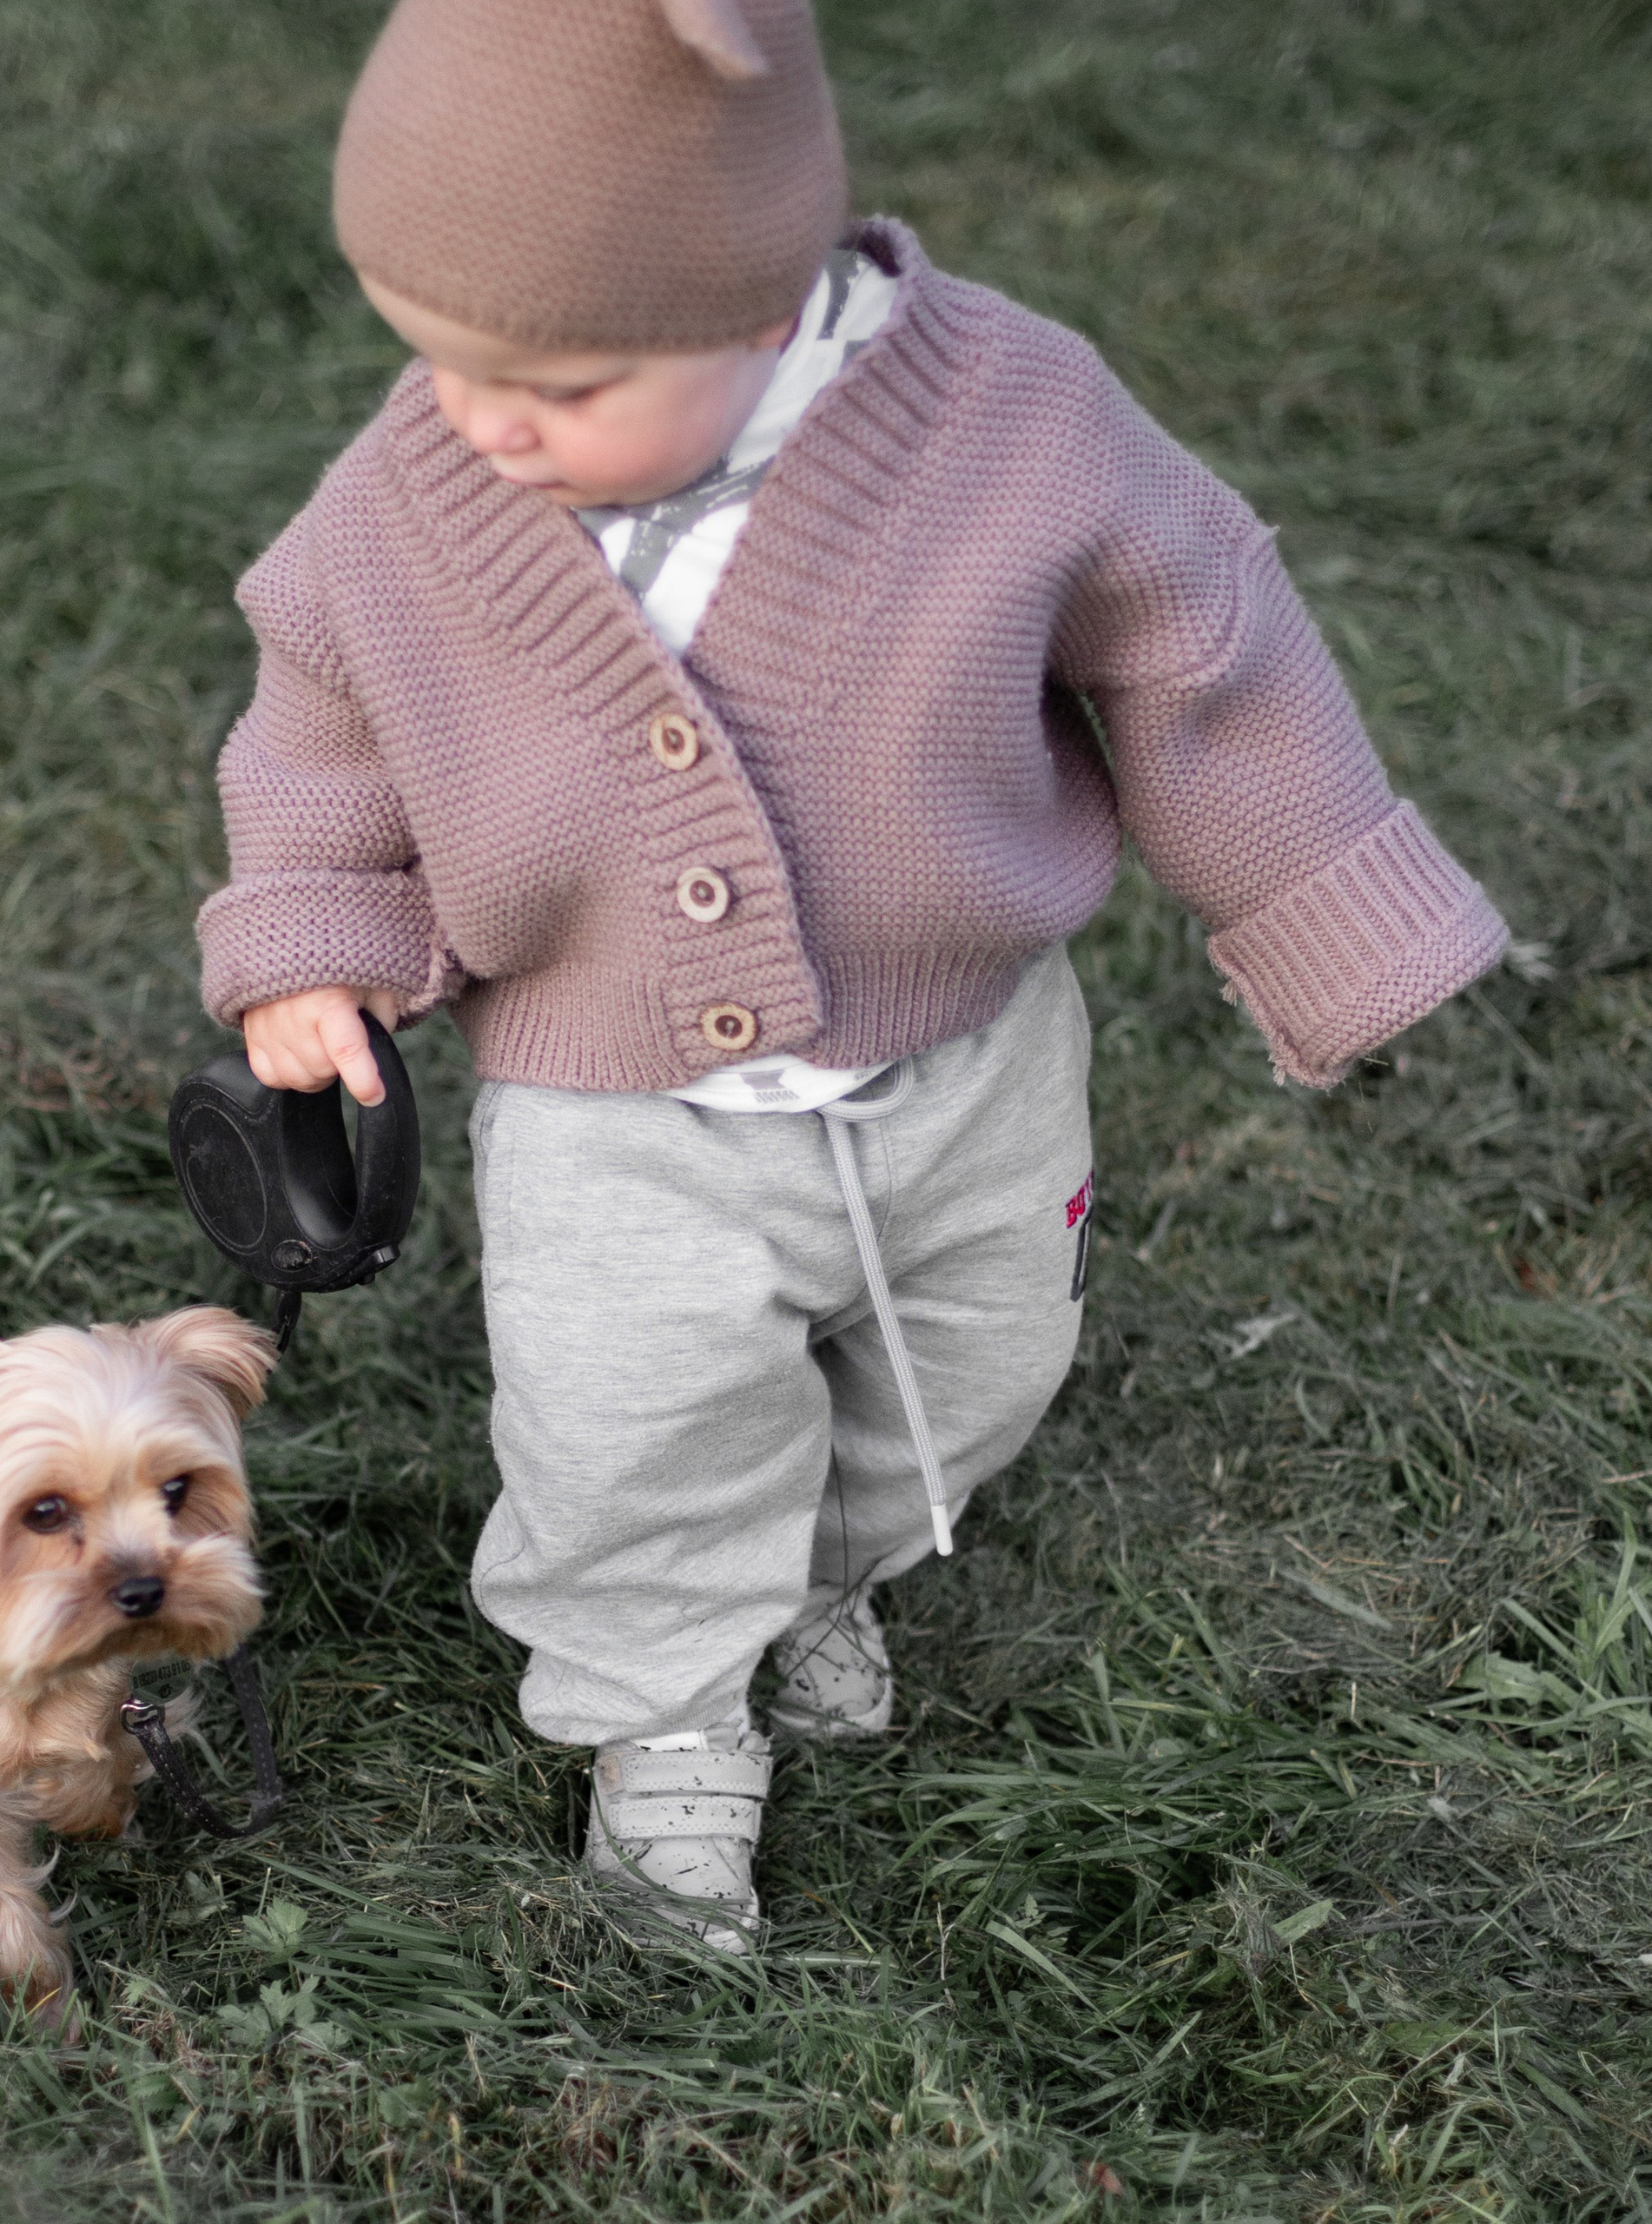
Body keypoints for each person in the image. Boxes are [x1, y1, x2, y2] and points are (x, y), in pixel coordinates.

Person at [194, 0, 1507, 1949]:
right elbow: (322, 720)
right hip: (609, 1096)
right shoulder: (419, 491)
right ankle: (666, 1714)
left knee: (969, 1362)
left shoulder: (1017, 426)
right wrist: (307, 939)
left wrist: (1325, 900)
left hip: (961, 1066)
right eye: (432, 353)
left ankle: (816, 1564)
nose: (477, 419)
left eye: (552, 377)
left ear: (754, 297)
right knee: (628, 1428)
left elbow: (1194, 649)